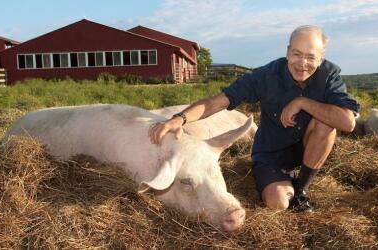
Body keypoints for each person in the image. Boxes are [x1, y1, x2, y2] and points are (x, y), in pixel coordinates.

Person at [148, 25, 359, 212]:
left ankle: (301, 189)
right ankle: (282, 184)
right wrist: (180, 118)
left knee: (326, 122)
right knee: (278, 203)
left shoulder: (329, 75)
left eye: (311, 57)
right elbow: (216, 102)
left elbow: (347, 123)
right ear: (287, 52)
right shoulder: (266, 76)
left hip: (306, 147)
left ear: (321, 58)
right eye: (296, 54)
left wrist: (302, 102)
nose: (302, 63)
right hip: (271, 155)